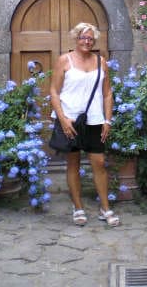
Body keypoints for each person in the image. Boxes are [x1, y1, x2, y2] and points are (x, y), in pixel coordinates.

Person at [50, 22, 119, 227]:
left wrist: (107, 119)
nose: (87, 41)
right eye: (83, 37)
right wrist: (62, 119)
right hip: (70, 120)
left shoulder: (101, 62)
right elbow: (54, 91)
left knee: (98, 163)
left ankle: (105, 208)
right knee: (73, 163)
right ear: (76, 38)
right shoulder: (65, 60)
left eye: (90, 38)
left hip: (95, 119)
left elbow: (107, 93)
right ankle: (78, 207)